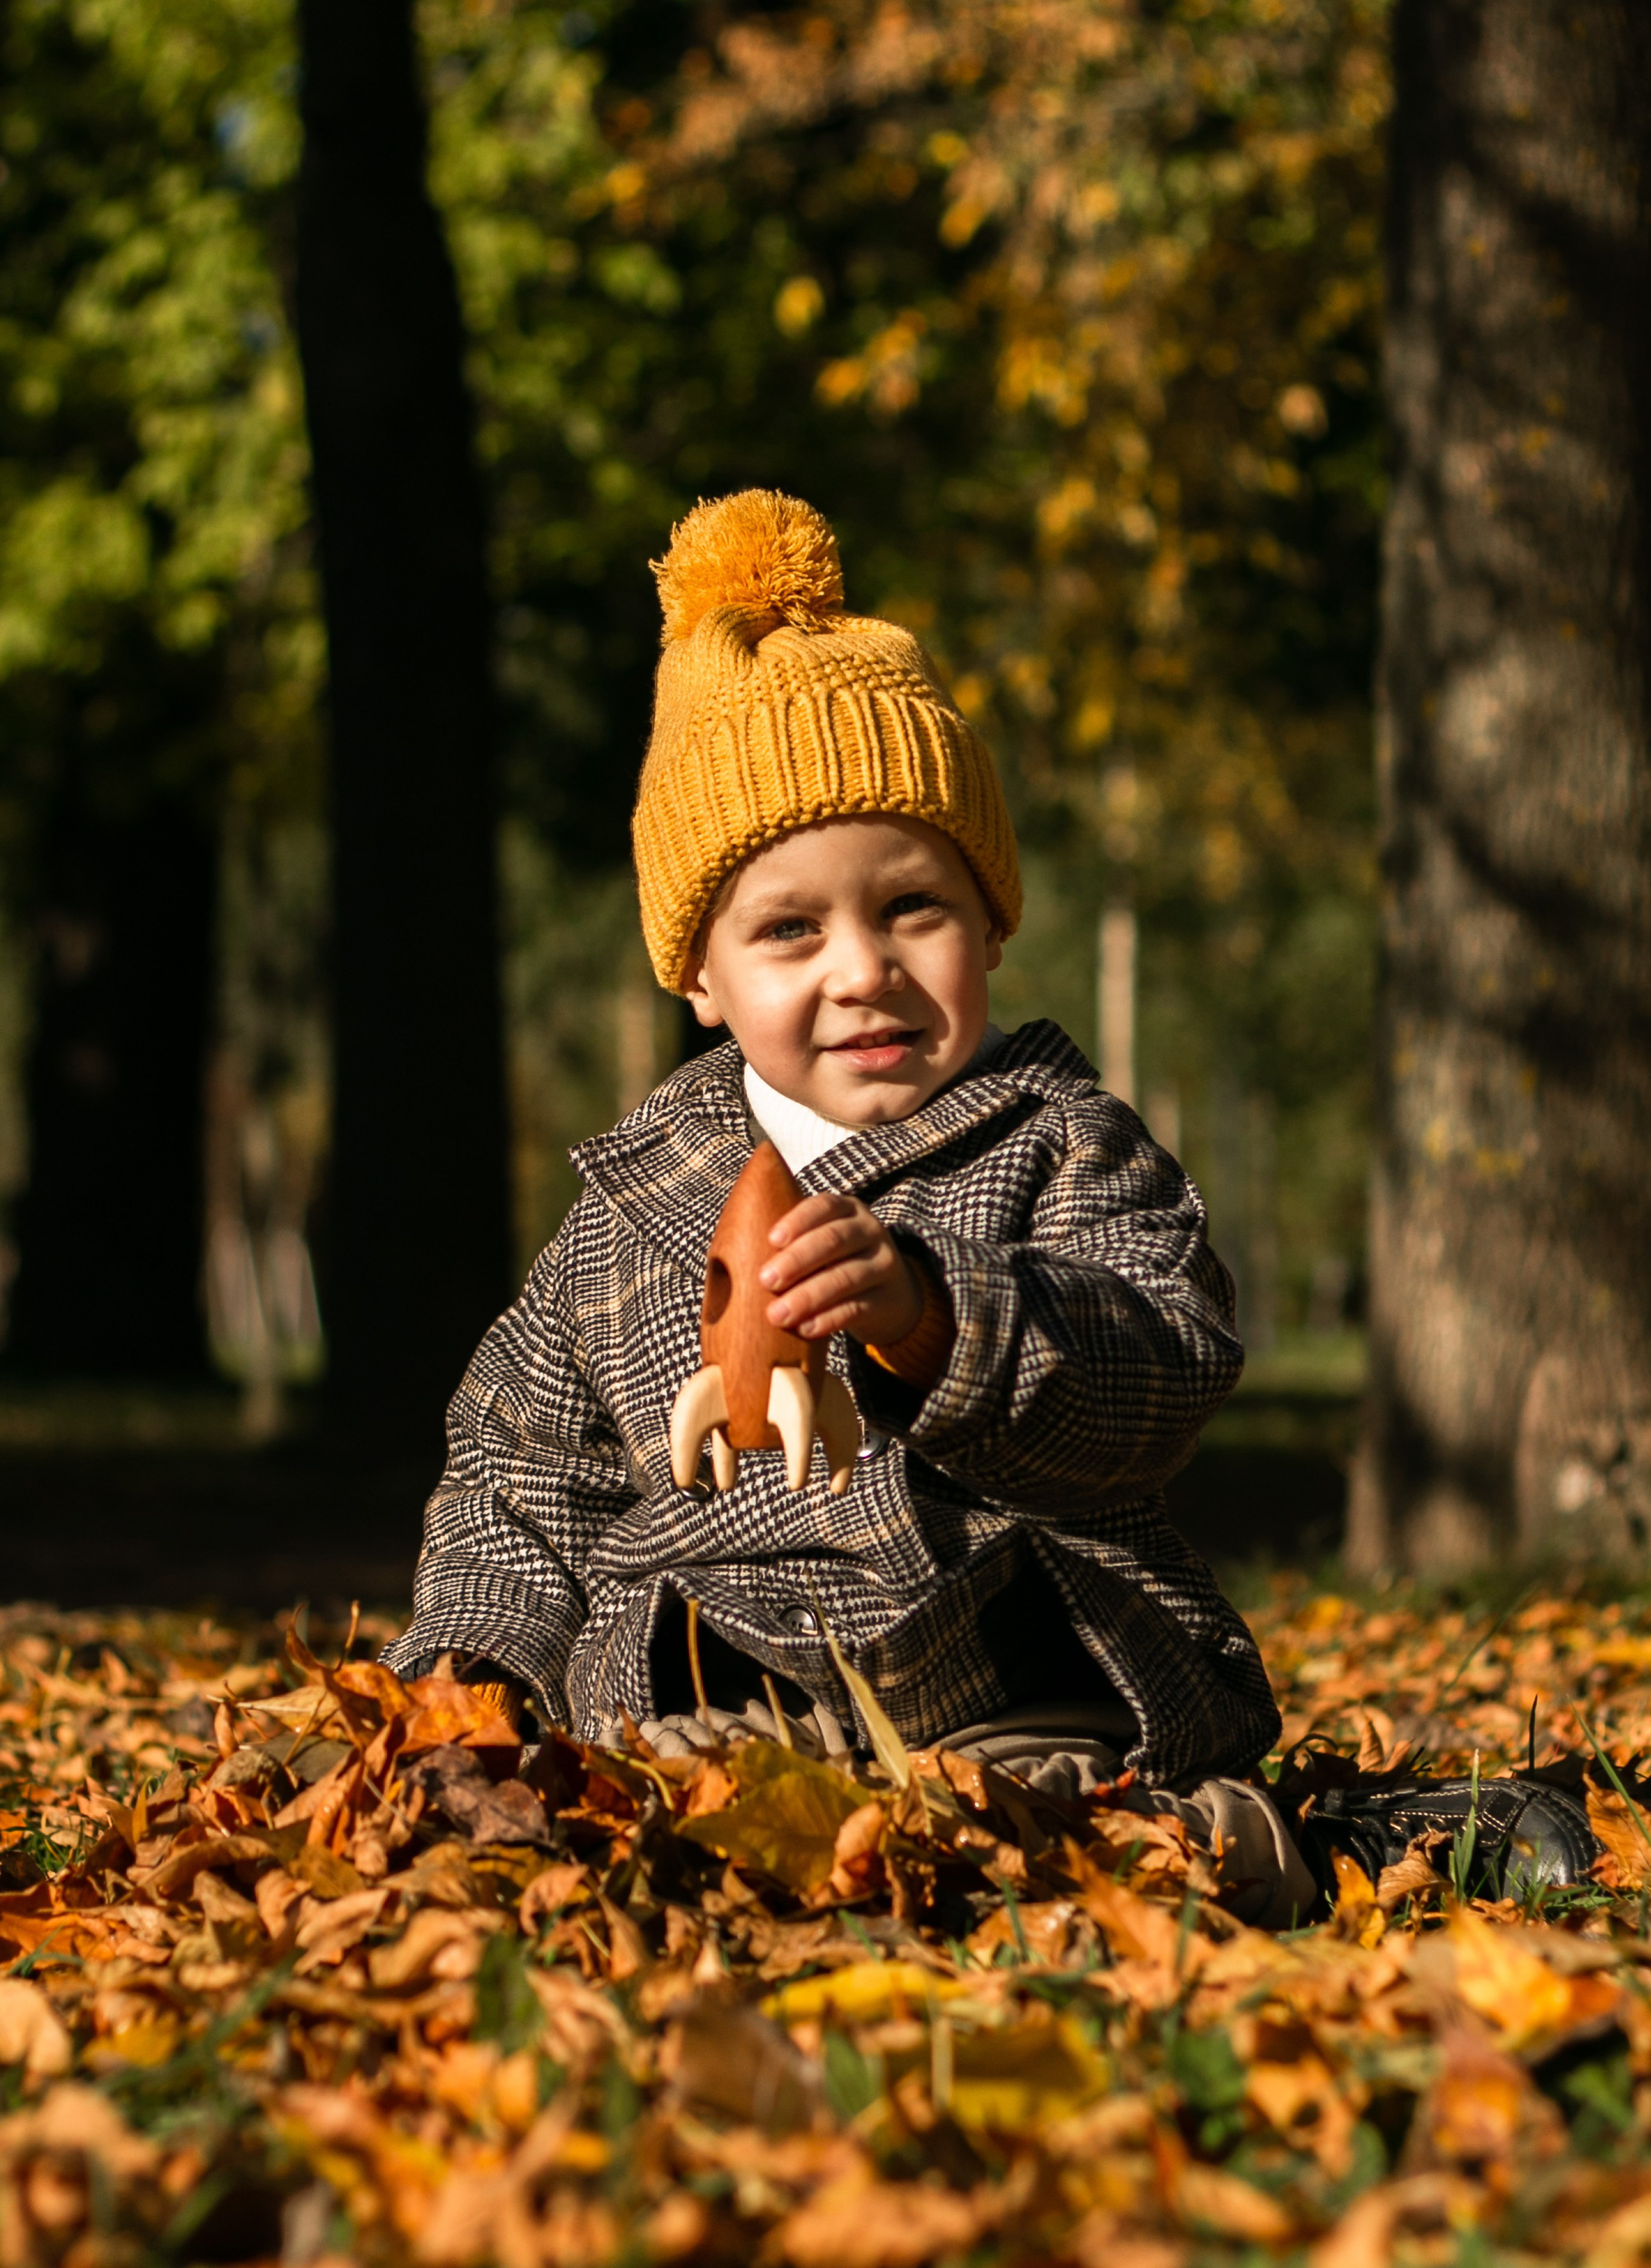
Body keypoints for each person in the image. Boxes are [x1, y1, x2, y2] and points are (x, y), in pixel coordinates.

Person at [383, 490, 1596, 1924]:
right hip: (709, 1690)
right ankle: (742, 1835)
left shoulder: (1058, 1143)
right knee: (615, 1843)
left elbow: (1159, 1362)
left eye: (913, 909)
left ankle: (1292, 1842)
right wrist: (468, 1675)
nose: (862, 970)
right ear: (700, 980)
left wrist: (932, 1309)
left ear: (990, 921)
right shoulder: (621, 1214)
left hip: (1008, 1684)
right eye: (788, 929)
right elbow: (520, 1476)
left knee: (1043, 1866)